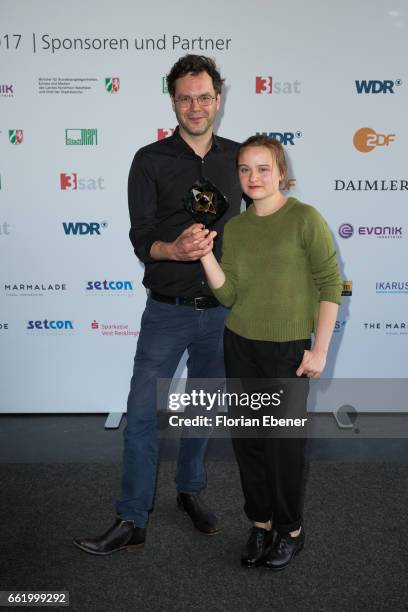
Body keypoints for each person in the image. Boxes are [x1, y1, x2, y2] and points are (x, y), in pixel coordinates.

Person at [73, 55, 243, 555]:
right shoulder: (148, 159)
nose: (196, 106)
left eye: (204, 96)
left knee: (201, 411)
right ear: (173, 100)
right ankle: (131, 518)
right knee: (143, 413)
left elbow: (257, 233)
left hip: (222, 312)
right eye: (186, 97)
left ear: (218, 98)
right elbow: (141, 235)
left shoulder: (238, 160)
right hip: (166, 310)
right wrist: (174, 249)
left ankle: (190, 491)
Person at [200, 135, 343, 570]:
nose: (254, 177)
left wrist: (319, 349)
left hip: (288, 352)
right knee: (249, 443)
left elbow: (330, 284)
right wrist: (206, 255)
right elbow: (229, 295)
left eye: (263, 168)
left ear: (281, 171)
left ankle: (290, 530)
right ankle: (260, 524)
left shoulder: (305, 218)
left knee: (283, 447)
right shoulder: (237, 228)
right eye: (245, 169)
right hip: (240, 345)